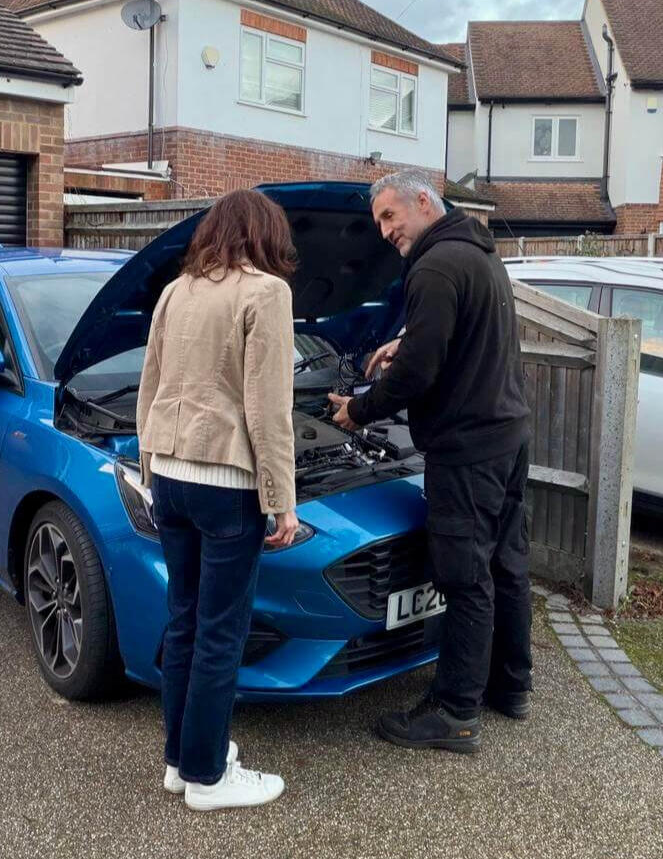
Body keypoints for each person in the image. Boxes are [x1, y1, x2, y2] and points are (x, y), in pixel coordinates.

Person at [328, 169, 532, 753]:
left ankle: (454, 712)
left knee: (464, 576)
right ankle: (510, 685)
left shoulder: (435, 265)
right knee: (507, 564)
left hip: (468, 448)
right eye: (380, 224)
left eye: (390, 217)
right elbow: (454, 336)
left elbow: (419, 374)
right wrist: (409, 336)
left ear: (423, 201)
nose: (386, 232)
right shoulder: (477, 255)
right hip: (508, 435)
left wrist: (359, 412)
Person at [136, 188, 299, 811]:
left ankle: (181, 761)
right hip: (226, 485)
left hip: (170, 477)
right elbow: (268, 409)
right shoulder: (266, 293)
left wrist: (149, 467)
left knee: (184, 621)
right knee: (220, 633)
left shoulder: (176, 291)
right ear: (263, 235)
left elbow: (150, 384)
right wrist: (282, 500)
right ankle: (208, 776)